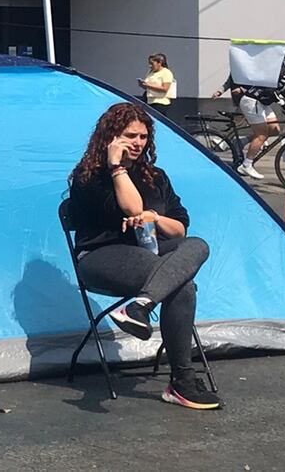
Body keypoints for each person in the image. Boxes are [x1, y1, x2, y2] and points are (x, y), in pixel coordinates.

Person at [69, 102, 221, 410]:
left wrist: (155, 218)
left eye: (143, 136)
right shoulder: (90, 177)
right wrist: (116, 168)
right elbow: (131, 209)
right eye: (130, 135)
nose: (138, 143)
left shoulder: (157, 177)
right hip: (100, 256)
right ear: (110, 137)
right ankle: (182, 382)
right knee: (182, 284)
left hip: (148, 251)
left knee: (197, 245)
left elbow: (178, 228)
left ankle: (141, 305)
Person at [211, 45, 285, 180]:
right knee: (262, 134)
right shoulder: (280, 69)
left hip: (262, 102)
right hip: (252, 101)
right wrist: (283, 104)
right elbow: (272, 90)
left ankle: (240, 142)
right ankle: (246, 164)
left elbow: (282, 88)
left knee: (274, 130)